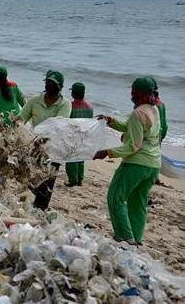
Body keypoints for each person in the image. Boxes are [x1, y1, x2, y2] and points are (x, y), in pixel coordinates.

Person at [94, 77, 160, 245]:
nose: (131, 96)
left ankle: (125, 238)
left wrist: (107, 152)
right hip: (153, 164)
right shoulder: (153, 109)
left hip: (136, 163)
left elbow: (134, 146)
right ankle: (136, 239)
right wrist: (111, 121)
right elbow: (130, 126)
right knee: (137, 202)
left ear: (136, 94)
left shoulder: (138, 113)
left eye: (133, 93)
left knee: (116, 197)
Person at [20, 70, 72, 210]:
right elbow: (21, 119)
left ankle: (40, 209)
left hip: (54, 149)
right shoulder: (34, 101)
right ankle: (30, 206)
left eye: (53, 84)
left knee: (47, 182)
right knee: (32, 179)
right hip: (35, 146)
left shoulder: (65, 104)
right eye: (48, 83)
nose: (50, 86)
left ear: (60, 87)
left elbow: (58, 125)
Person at [65, 82, 94, 187]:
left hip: (73, 135)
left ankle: (72, 180)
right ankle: (80, 179)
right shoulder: (90, 106)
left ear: (73, 93)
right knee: (81, 158)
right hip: (85, 135)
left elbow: (67, 121)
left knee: (71, 158)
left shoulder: (70, 106)